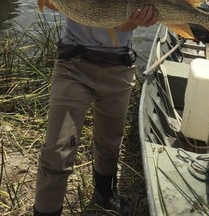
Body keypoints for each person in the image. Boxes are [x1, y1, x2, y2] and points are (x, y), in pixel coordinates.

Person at [34, 1, 158, 215]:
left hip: (118, 67)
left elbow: (121, 26)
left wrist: (140, 19)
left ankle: (105, 194)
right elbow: (54, 5)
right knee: (57, 150)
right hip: (73, 64)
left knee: (110, 143)